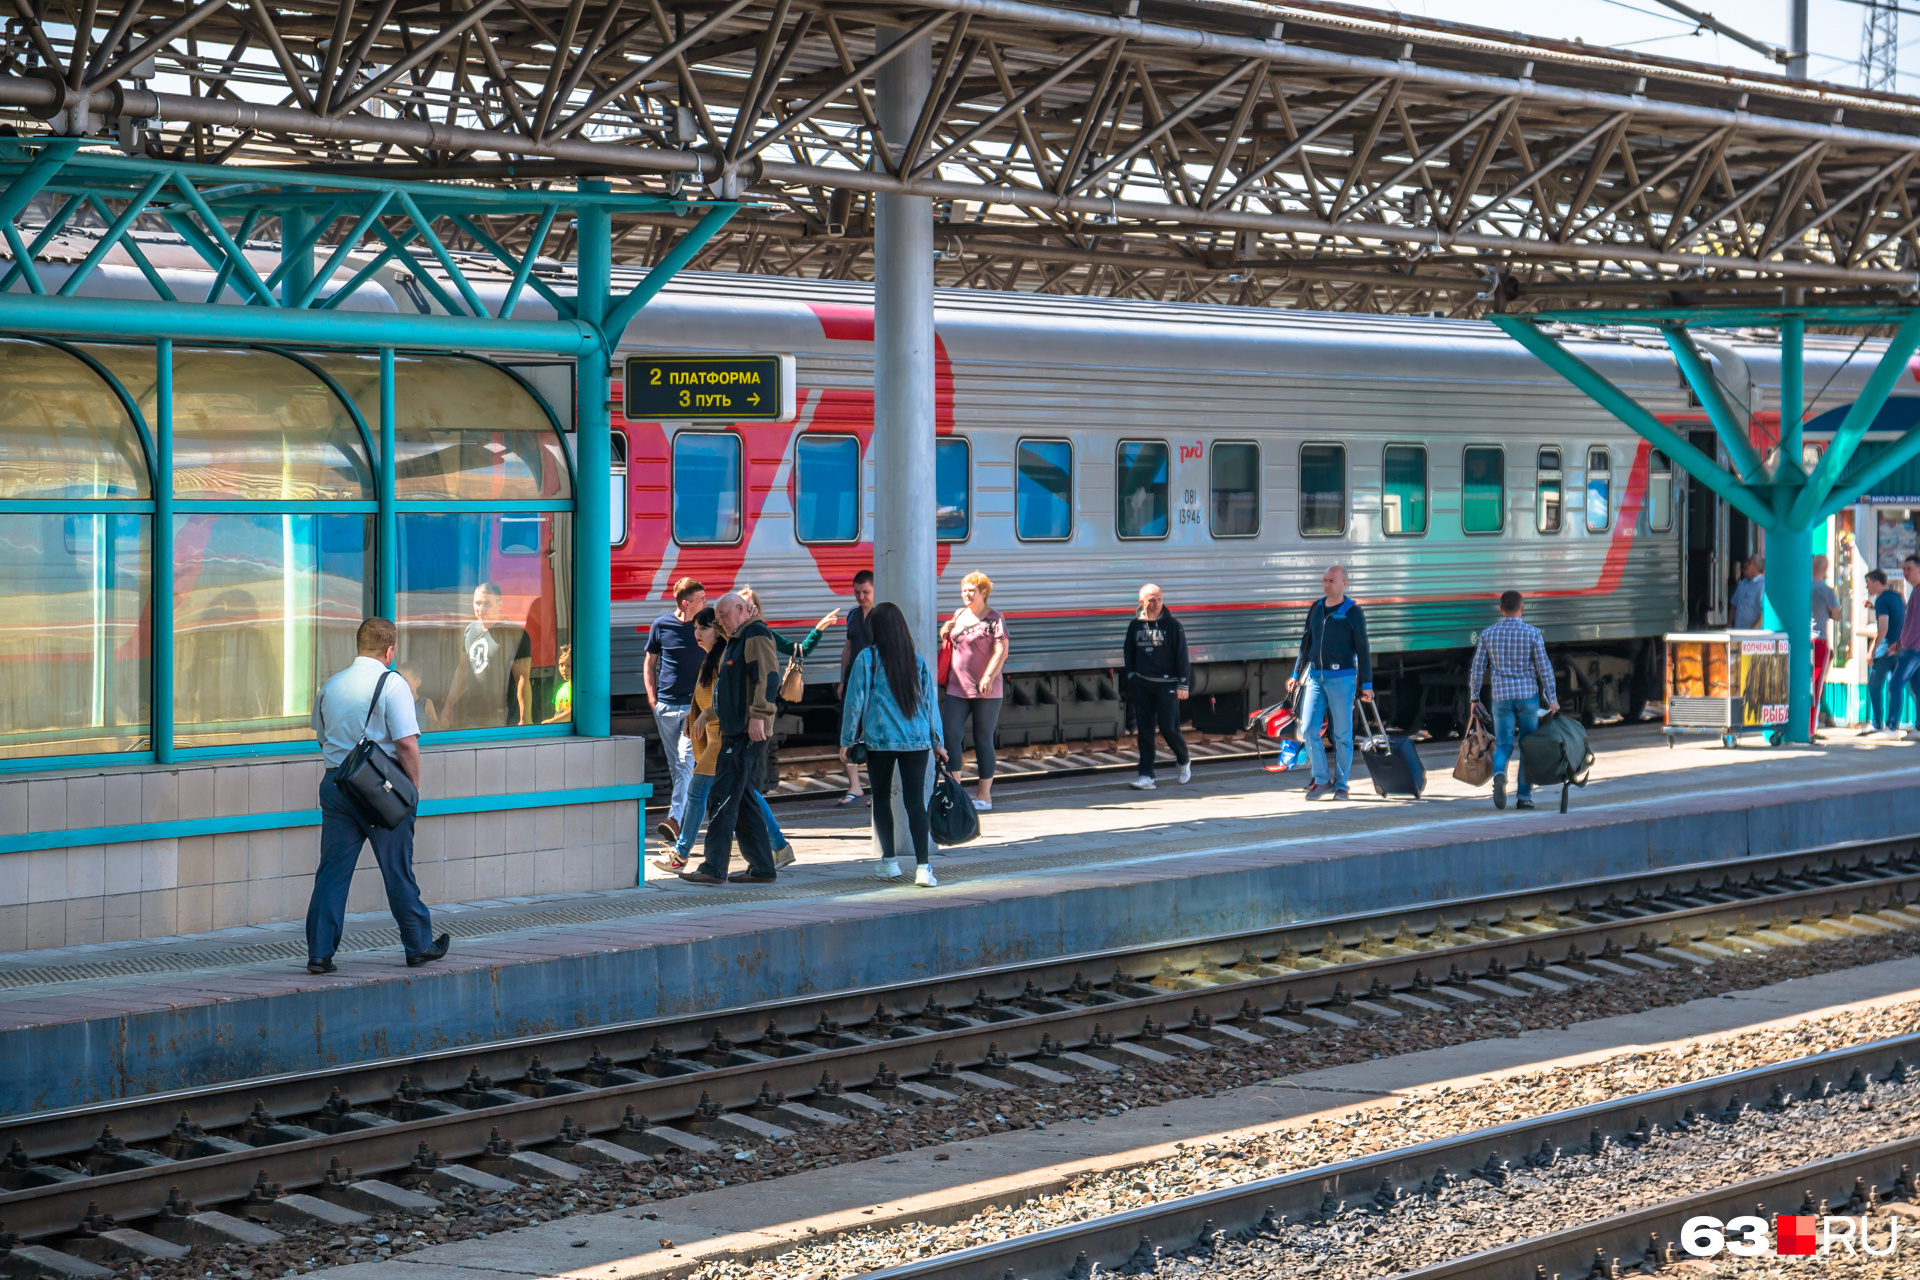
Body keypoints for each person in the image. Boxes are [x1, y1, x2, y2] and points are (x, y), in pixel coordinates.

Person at [305, 617, 448, 975]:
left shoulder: (332, 684)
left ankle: (319, 953)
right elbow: (406, 745)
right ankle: (417, 945)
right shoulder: (391, 683)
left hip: (337, 785)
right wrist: (411, 793)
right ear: (390, 651)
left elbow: (322, 738)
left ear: (359, 646)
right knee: (397, 870)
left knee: (332, 871)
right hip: (379, 791)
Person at [840, 602, 946, 887]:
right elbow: (929, 704)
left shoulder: (867, 659)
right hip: (917, 742)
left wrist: (847, 740)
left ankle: (889, 863)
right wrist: (938, 742)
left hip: (880, 742)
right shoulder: (916, 660)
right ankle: (924, 869)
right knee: (915, 803)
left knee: (882, 800)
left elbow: (854, 703)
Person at [679, 592, 780, 886]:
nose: (719, 623)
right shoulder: (738, 637)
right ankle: (762, 866)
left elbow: (768, 677)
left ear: (740, 609)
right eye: (718, 619)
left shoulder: (755, 635)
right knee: (744, 798)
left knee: (722, 796)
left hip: (745, 731)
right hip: (738, 729)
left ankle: (713, 867)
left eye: (723, 616)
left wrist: (759, 716)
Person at [1467, 590, 1560, 811]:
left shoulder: (1488, 634)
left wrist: (1474, 697)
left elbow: (1478, 668)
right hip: (1528, 697)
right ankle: (1524, 797)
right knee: (1527, 746)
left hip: (1501, 698)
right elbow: (1544, 668)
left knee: (1504, 745)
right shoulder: (1533, 633)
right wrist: (1552, 699)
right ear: (1522, 608)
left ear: (1500, 608)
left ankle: (1499, 774)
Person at [1286, 566, 1371, 802]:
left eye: (1331, 581)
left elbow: (1363, 649)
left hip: (1342, 678)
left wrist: (1368, 684)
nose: (1327, 585)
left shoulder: (1352, 612)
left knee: (1342, 734)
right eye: (1324, 580)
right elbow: (1306, 643)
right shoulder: (1316, 608)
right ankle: (1322, 779)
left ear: (1344, 583)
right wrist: (1296, 673)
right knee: (1309, 729)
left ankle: (1342, 785)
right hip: (1315, 677)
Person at [652, 609, 723, 872]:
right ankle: (777, 848)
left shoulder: (723, 660)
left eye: (703, 629)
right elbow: (701, 695)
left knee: (697, 793)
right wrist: (693, 716)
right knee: (743, 797)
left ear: (717, 629)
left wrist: (705, 715)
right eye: (695, 629)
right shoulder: (709, 659)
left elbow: (726, 699)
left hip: (720, 741)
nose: (697, 634)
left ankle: (681, 855)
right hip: (710, 740)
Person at [939, 571, 1010, 810]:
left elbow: (1002, 651)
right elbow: (952, 643)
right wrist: (944, 632)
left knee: (982, 739)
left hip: (986, 689)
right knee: (950, 736)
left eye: (971, 590)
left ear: (983, 593)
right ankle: (955, 793)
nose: (966, 594)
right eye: (964, 590)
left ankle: (984, 796)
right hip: (957, 686)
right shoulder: (959, 614)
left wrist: (989, 675)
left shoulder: (994, 618)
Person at [645, 578, 706, 847]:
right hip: (666, 707)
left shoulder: (705, 628)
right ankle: (687, 819)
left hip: (692, 707)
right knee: (678, 767)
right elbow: (650, 663)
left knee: (684, 762)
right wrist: (652, 699)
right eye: (701, 599)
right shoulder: (662, 625)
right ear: (685, 603)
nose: (706, 602)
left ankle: (674, 819)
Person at [1123, 583, 1190, 790]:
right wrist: (1132, 674)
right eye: (1151, 599)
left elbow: (1182, 656)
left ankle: (1184, 759)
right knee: (1145, 731)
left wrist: (1183, 684)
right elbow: (1128, 651)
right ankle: (1146, 776)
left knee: (1169, 728)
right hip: (1143, 685)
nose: (1157, 603)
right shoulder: (1135, 626)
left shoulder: (1173, 625)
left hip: (1167, 685)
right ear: (1141, 601)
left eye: (1159, 598)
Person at [446, 582, 530, 728]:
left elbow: (522, 678)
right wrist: (448, 705)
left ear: (499, 605)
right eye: (477, 603)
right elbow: (462, 671)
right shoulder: (470, 631)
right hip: (471, 714)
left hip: (503, 716)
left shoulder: (515, 634)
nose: (481, 609)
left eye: (487, 604)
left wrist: (525, 718)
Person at [836, 570, 877, 807]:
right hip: (853, 679)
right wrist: (842, 680)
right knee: (847, 730)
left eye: (866, 592)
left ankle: (876, 787)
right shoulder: (852, 614)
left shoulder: (881, 614)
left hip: (874, 681)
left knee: (873, 732)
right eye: (857, 592)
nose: (861, 596)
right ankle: (854, 786)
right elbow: (848, 648)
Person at [1864, 570, 1905, 737]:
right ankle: (1892, 725)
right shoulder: (1897, 596)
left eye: (1868, 582)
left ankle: (1877, 723)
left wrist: (1872, 651)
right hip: (1900, 647)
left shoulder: (1881, 600)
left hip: (1885, 648)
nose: (1867, 586)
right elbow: (1897, 616)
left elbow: (1883, 629)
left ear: (1876, 583)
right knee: (1895, 686)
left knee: (1874, 685)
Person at [1810, 554, 1841, 739]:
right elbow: (1836, 616)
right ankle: (1811, 728)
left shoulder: (1802, 587)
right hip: (1819, 640)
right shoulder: (1827, 591)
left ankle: (1802, 723)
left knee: (1803, 683)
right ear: (1827, 570)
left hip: (1802, 640)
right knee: (1816, 685)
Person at [1893, 555, 1920, 741]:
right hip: (1913, 648)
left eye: (1908, 569)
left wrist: (1904, 643)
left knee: (1895, 684)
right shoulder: (1915, 591)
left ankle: (1890, 725)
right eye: (1903, 569)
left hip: (1913, 650)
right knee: (1917, 688)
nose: (1905, 573)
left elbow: (1916, 624)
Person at [1730, 554, 1766, 630]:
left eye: (1749, 562)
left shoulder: (1762, 585)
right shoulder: (1742, 584)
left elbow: (1764, 612)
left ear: (1757, 567)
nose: (1745, 564)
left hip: (1754, 637)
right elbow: (1734, 605)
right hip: (1739, 632)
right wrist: (1729, 624)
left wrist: (1752, 630)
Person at [542, 645, 573, 724]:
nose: (564, 669)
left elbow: (574, 712)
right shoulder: (560, 688)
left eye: (568, 666)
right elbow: (556, 713)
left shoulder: (578, 690)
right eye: (561, 665)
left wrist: (551, 722)